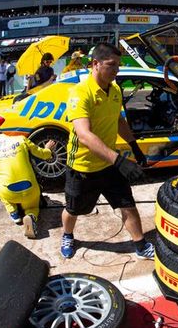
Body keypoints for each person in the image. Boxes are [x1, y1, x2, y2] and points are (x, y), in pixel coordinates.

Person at [60, 43, 153, 260]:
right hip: (83, 167)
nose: (116, 71)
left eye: (118, 66)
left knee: (127, 204)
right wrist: (120, 161)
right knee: (74, 210)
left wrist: (134, 146)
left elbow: (118, 119)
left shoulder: (115, 90)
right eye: (112, 65)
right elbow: (84, 135)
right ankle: (67, 235)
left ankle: (140, 245)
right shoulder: (80, 93)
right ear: (95, 64)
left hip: (109, 165)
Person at [0, 126, 55, 239]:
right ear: (0, 132)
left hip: (10, 193)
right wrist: (48, 149)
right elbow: (43, 154)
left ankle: (13, 212)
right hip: (30, 189)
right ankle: (31, 216)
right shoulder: (20, 139)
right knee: (33, 207)